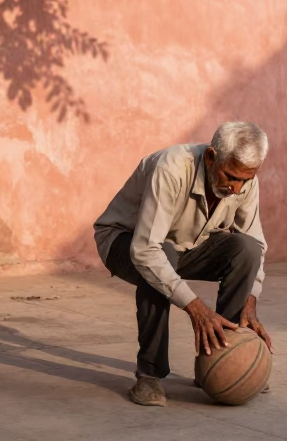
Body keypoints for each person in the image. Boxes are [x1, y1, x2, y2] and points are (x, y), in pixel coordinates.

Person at [93, 121, 275, 406]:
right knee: (161, 257)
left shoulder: (245, 182)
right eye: (230, 176)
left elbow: (255, 240)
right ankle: (149, 375)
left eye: (245, 180)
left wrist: (251, 298)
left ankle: (220, 358)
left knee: (247, 250)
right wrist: (197, 309)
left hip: (187, 246)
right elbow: (146, 250)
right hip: (124, 242)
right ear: (211, 157)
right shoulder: (172, 168)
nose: (236, 187)